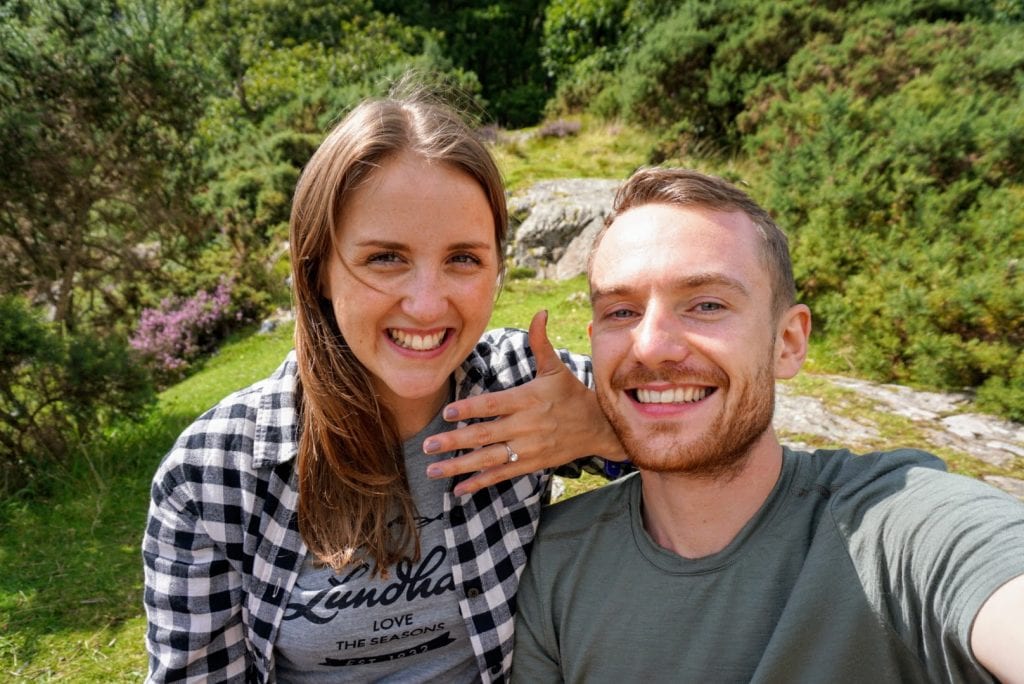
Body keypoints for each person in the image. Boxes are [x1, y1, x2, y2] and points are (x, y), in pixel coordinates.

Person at [142, 90, 625, 683]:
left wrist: (606, 431)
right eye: (386, 258)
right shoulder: (213, 474)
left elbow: (718, 447)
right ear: (317, 268)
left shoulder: (525, 381)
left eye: (463, 259)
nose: (427, 304)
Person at [511, 167, 1024, 683]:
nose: (650, 347)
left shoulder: (896, 526)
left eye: (707, 305)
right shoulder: (558, 557)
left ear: (788, 342)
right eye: (621, 312)